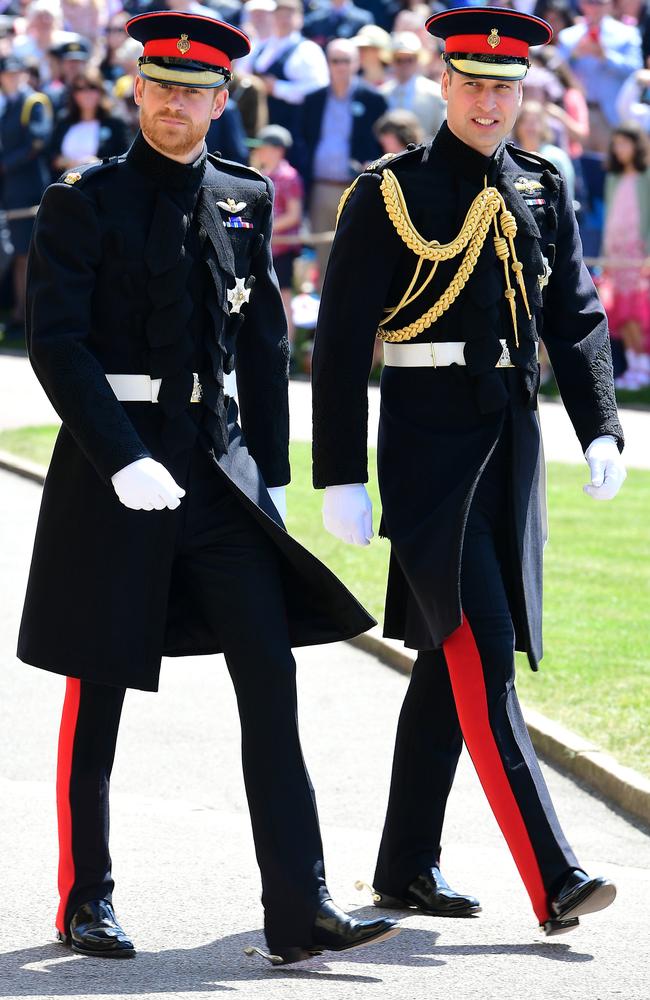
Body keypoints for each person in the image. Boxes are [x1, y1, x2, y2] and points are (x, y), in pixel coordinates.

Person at [18, 9, 398, 967]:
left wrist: (269, 472)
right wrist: (120, 455)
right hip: (119, 470)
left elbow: (263, 341)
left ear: (224, 102)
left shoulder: (244, 194)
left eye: (194, 92)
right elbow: (56, 345)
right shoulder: (83, 199)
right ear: (133, 89)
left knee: (271, 675)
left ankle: (300, 905)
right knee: (95, 684)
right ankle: (84, 899)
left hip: (218, 474)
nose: (173, 104)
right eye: (159, 86)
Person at [312, 6, 626, 938]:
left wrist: (601, 426)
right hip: (426, 453)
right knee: (482, 657)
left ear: (522, 90)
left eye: (505, 85)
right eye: (473, 83)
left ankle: (405, 866)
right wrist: (339, 474)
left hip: (512, 454)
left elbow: (573, 317)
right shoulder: (388, 190)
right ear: (442, 85)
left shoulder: (542, 183)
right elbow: (337, 344)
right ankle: (556, 873)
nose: (490, 102)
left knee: (446, 668)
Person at [302, 37, 387, 288]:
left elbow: (383, 142)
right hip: (321, 187)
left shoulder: (373, 99)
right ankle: (324, 323)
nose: (340, 66)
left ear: (356, 63)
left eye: (345, 60)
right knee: (323, 258)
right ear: (327, 63)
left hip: (358, 187)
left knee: (358, 253)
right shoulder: (313, 99)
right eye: (335, 60)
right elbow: (303, 140)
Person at [0, 53, 52, 330]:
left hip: (30, 188)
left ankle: (28, 315)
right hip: (14, 188)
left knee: (29, 254)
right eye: (7, 73)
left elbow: (37, 142)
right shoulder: (9, 104)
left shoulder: (33, 101)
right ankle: (21, 313)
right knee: (20, 253)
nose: (12, 77)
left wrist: (4, 165)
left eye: (16, 72)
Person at [600, 121, 650, 387]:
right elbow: (610, 219)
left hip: (638, 255)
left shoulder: (647, 176)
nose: (618, 149)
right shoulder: (614, 178)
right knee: (622, 312)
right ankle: (634, 369)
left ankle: (644, 369)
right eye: (615, 143)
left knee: (639, 314)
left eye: (624, 143)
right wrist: (605, 255)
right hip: (617, 256)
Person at [250, 123, 303, 347]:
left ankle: (287, 348)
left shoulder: (289, 177)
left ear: (278, 149)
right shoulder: (258, 174)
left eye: (264, 147)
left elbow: (294, 215)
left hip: (282, 248)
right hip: (263, 247)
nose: (259, 151)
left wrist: (266, 226)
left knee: (283, 297)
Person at [49, 65, 128, 176]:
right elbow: (50, 155)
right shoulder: (64, 120)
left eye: (92, 88)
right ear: (74, 94)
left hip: (101, 186)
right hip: (65, 187)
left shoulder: (115, 122)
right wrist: (66, 162)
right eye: (80, 89)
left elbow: (124, 159)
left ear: (100, 91)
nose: (87, 94)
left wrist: (97, 163)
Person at [381, 31, 445, 139]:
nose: (404, 65)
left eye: (409, 60)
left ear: (417, 61)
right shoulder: (382, 93)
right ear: (392, 61)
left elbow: (440, 133)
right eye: (399, 60)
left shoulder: (435, 94)